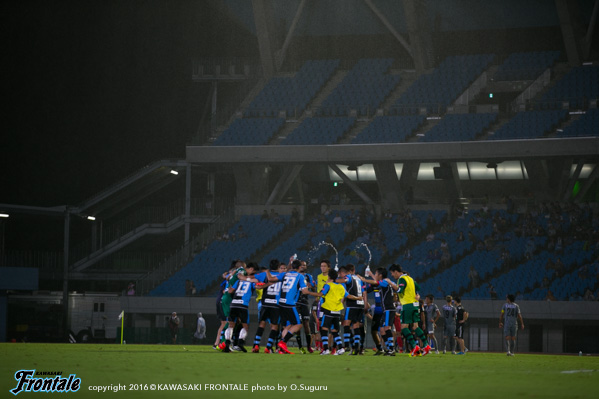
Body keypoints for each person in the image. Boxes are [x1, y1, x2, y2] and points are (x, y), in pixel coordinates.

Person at [267, 260, 319, 354]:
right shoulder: (300, 276)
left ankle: (281, 349)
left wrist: (266, 271)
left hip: (280, 303)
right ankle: (283, 342)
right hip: (289, 304)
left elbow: (271, 279)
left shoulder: (285, 274)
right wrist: (319, 294)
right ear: (299, 267)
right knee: (298, 324)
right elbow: (305, 292)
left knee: (288, 325)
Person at [314, 269, 362, 355]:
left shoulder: (328, 285)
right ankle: (340, 348)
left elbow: (320, 294)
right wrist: (358, 298)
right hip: (337, 312)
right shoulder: (341, 286)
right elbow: (349, 296)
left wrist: (308, 292)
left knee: (323, 329)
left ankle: (325, 349)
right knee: (334, 330)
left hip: (329, 310)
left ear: (329, 277)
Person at [391, 264, 431, 357]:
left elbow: (399, 290)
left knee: (404, 328)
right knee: (415, 327)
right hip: (415, 305)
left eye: (392, 273)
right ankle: (426, 346)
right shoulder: (411, 278)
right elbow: (418, 288)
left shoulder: (401, 279)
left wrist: (390, 283)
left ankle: (414, 347)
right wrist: (417, 295)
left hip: (407, 305)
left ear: (396, 272)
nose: (392, 275)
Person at [359, 267, 399, 355]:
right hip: (385, 310)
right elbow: (375, 283)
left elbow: (375, 282)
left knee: (387, 328)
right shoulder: (385, 281)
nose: (375, 275)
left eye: (376, 274)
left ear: (380, 275)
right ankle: (388, 348)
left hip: (389, 308)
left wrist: (364, 279)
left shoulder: (384, 281)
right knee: (381, 330)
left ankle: (391, 349)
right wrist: (370, 275)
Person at [222, 262, 260, 353]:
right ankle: (240, 342)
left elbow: (230, 291)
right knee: (245, 326)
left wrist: (227, 288)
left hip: (234, 304)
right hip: (243, 305)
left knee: (231, 325)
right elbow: (258, 285)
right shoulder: (251, 281)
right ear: (251, 269)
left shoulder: (238, 281)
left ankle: (227, 343)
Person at [252, 259, 284, 354]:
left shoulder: (264, 274)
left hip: (265, 303)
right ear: (278, 267)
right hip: (276, 304)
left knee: (262, 324)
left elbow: (253, 279)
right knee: (274, 327)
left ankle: (256, 345)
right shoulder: (282, 275)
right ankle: (268, 347)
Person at [338, 264, 366, 355]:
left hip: (352, 304)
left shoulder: (348, 277)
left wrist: (334, 280)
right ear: (354, 270)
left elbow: (344, 282)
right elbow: (363, 291)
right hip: (360, 304)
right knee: (356, 325)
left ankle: (346, 346)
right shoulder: (359, 279)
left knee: (346, 324)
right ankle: (356, 347)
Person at [296, 260, 315, 353]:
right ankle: (300, 347)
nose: (303, 266)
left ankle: (308, 346)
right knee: (298, 325)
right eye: (301, 265)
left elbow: (313, 286)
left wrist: (311, 285)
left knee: (306, 325)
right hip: (295, 302)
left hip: (304, 302)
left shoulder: (308, 276)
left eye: (304, 265)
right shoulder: (295, 275)